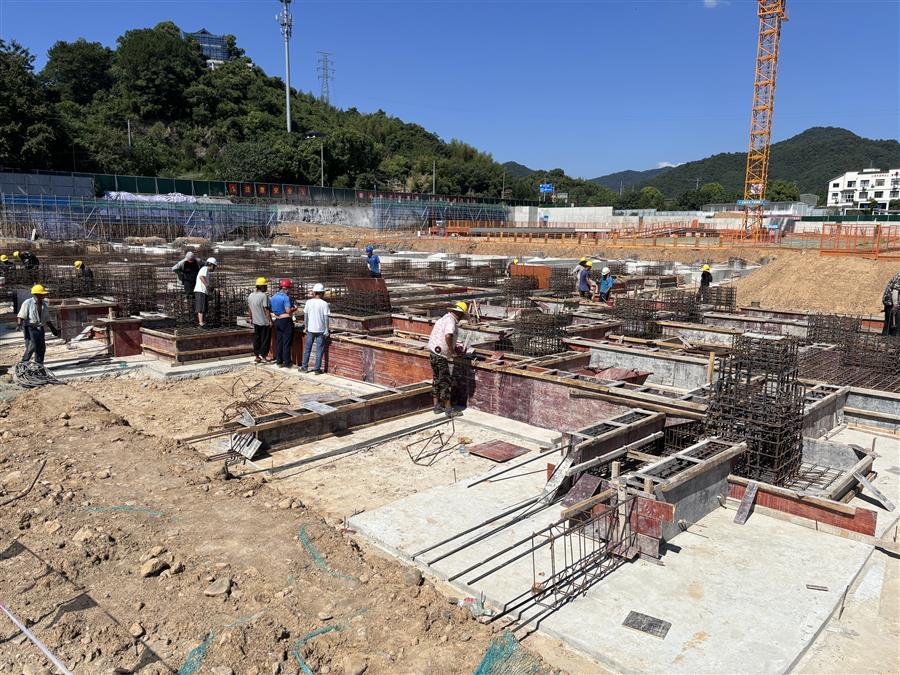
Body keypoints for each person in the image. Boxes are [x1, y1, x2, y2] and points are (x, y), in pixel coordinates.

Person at [427, 300, 468, 415]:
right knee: (445, 382)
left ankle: (436, 407)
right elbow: (448, 335)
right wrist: (452, 351)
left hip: (433, 353)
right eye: (462, 315)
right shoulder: (451, 321)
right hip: (441, 357)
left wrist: (453, 347)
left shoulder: (443, 319)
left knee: (436, 380)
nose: (462, 318)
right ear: (460, 313)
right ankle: (449, 410)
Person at [16, 284, 60, 365]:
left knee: (41, 347)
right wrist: (19, 324)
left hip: (40, 327)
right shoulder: (28, 303)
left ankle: (39, 364)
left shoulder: (44, 304)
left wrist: (52, 328)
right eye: (43, 293)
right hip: (30, 327)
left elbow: (46, 319)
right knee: (31, 346)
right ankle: (23, 363)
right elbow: (21, 315)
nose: (44, 295)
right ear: (37, 294)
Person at [301, 283, 331, 374]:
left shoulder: (308, 302)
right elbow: (326, 318)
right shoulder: (324, 304)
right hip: (320, 330)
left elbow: (305, 316)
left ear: (314, 293)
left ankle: (304, 367)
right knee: (319, 350)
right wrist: (326, 330)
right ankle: (317, 369)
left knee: (307, 349)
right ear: (322, 293)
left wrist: (305, 327)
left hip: (310, 329)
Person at [271, 279, 296, 367]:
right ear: (286, 288)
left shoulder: (274, 297)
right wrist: (295, 308)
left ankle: (279, 361)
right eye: (289, 289)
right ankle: (287, 362)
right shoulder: (285, 297)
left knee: (279, 341)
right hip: (286, 321)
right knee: (286, 342)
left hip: (277, 320)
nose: (290, 291)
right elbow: (288, 311)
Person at [248, 277, 272, 363]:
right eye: (265, 286)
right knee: (265, 339)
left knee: (257, 339)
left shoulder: (251, 295)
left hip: (255, 321)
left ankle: (257, 356)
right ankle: (264, 356)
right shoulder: (263, 296)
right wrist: (269, 321)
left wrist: (250, 318)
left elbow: (249, 308)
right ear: (261, 286)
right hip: (264, 322)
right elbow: (266, 309)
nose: (266, 288)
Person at [193, 257, 218, 327]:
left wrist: (209, 288)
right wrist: (207, 285)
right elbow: (201, 277)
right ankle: (201, 323)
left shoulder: (206, 271)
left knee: (203, 307)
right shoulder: (204, 268)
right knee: (201, 307)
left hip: (203, 291)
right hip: (200, 290)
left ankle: (202, 322)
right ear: (211, 265)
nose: (214, 268)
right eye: (214, 266)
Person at [882, 272, 900, 336]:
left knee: (888, 326)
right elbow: (895, 291)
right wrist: (895, 306)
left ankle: (885, 339)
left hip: (890, 304)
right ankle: (894, 340)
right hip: (892, 305)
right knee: (896, 328)